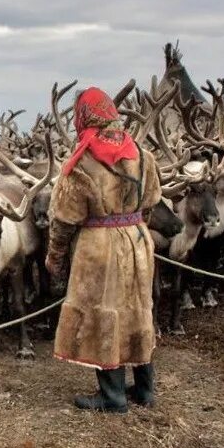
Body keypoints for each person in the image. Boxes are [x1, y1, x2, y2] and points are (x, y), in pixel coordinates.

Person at [46, 88, 162, 414]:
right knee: (139, 311)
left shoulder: (82, 161)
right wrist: (132, 225)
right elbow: (152, 200)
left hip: (98, 247)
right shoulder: (141, 152)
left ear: (83, 117)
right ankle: (145, 389)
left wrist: (55, 256)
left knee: (103, 315)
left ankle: (112, 398)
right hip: (138, 241)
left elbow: (64, 219)